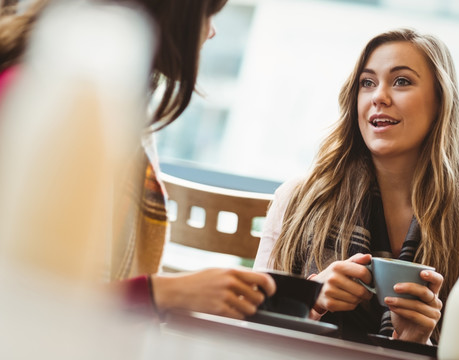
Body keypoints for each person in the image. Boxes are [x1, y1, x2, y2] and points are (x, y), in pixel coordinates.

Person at [0, 0, 275, 321]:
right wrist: (163, 293)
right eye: (208, 13)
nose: (212, 31)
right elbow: (32, 298)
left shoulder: (100, 100)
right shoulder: (54, 99)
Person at [253, 28, 459, 344]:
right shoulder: (296, 200)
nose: (379, 97)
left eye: (402, 81)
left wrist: (418, 342)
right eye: (367, 83)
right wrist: (313, 300)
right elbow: (250, 326)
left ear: (441, 100)